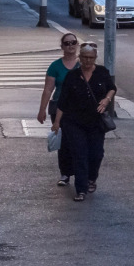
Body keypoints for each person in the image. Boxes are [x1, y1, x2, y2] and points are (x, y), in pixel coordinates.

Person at [52, 42, 116, 202]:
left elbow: (112, 87)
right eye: (85, 57)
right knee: (79, 154)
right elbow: (63, 102)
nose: (88, 61)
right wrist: (57, 122)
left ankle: (91, 178)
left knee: (96, 154)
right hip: (74, 122)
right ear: (80, 58)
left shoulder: (102, 72)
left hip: (95, 122)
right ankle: (81, 189)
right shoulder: (72, 76)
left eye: (91, 58)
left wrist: (106, 100)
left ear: (95, 58)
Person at [37, 32, 80, 188]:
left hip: (79, 109)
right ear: (62, 46)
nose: (70, 46)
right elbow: (48, 89)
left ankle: (81, 172)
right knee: (64, 141)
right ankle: (65, 173)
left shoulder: (83, 64)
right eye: (67, 43)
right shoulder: (55, 66)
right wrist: (42, 110)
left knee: (79, 141)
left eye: (73, 42)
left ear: (77, 45)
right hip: (59, 107)